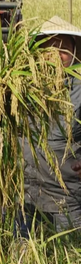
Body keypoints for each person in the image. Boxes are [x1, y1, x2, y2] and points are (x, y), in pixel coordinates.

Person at [15, 16, 81, 239]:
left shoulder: (80, 89)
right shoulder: (18, 86)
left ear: (73, 52)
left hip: (66, 194)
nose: (54, 54)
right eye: (48, 47)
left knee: (69, 254)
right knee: (22, 258)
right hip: (23, 193)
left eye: (62, 47)